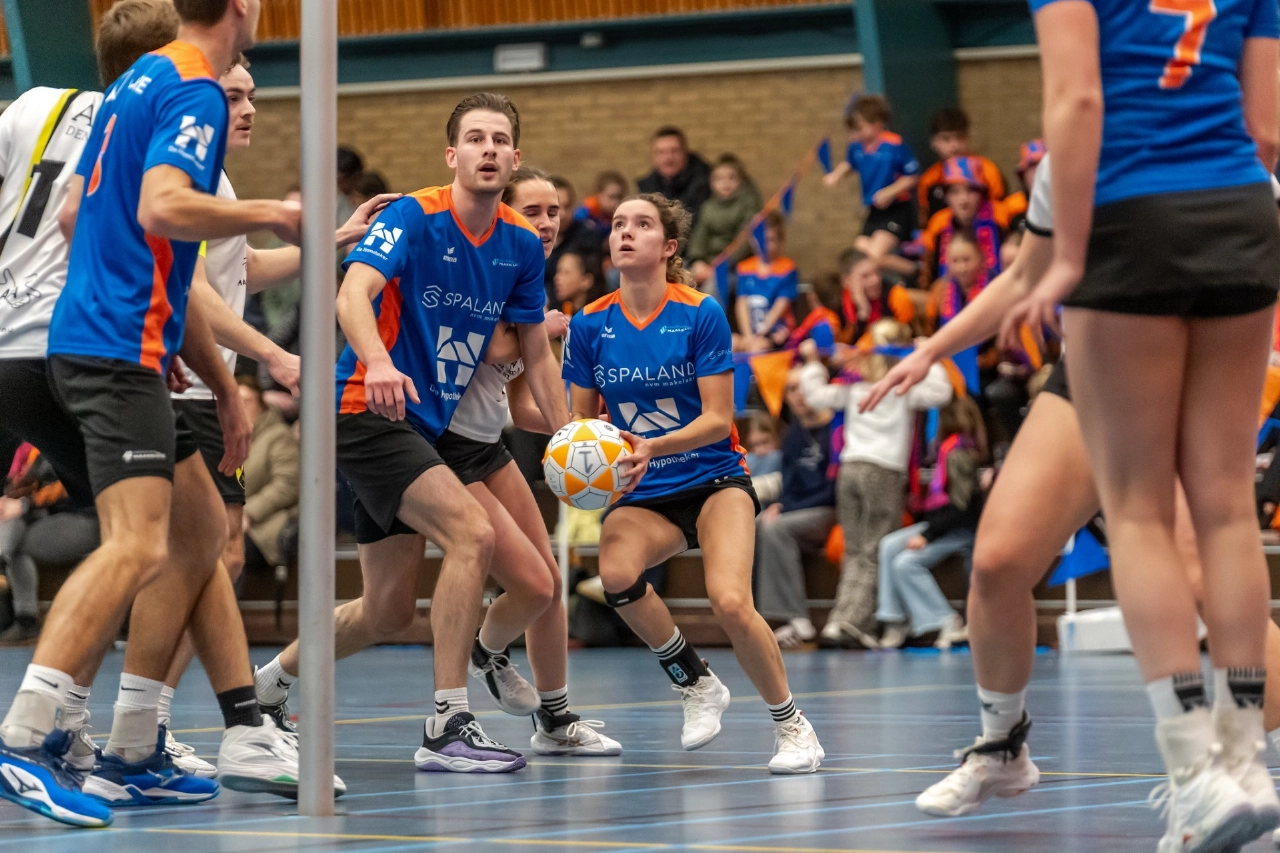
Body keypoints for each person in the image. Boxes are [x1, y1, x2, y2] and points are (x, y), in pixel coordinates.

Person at [865, 156, 1280, 844]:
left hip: (1186, 389)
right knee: (997, 562)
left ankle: (1224, 773)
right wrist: (932, 347)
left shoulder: (1232, 157)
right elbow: (1026, 273)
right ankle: (1002, 748)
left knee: (1203, 579)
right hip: (1088, 377)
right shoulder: (1073, 154)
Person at [0, 0, 316, 825]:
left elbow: (82, 216)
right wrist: (277, 214)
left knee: (200, 528)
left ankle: (136, 741)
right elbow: (164, 210)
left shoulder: (129, 81)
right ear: (242, 11)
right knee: (138, 541)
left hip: (107, 340)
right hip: (108, 345)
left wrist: (201, 361)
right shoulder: (191, 89)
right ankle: (28, 736)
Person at [999, 2, 1280, 848]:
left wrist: (1076, 253)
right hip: (1241, 210)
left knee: (1139, 510)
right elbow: (1266, 128)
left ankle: (1196, 771)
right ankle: (1247, 758)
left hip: (1128, 216)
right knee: (1228, 505)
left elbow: (1078, 100)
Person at [253, 93, 571, 775]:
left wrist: (568, 431)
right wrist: (377, 360)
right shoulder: (414, 215)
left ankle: (267, 684)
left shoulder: (518, 244)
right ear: (452, 155)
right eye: (475, 139)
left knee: (388, 609)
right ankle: (449, 722)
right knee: (473, 535)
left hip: (422, 427)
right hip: (365, 408)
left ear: (514, 157)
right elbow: (352, 293)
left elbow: (537, 352)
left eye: (500, 140)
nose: (489, 149)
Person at [160, 56, 395, 763]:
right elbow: (194, 291)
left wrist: (335, 239)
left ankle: (152, 722)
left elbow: (242, 271)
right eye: (234, 95)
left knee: (212, 558)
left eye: (253, 94)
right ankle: (144, 724)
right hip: (195, 390)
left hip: (207, 389)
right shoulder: (185, 177)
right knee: (197, 558)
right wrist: (274, 353)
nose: (250, 107)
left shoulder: (218, 180)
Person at [563, 192, 824, 773]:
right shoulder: (589, 323)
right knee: (616, 575)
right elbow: (581, 425)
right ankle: (695, 681)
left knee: (730, 600)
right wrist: (582, 461)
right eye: (618, 224)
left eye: (642, 224)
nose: (625, 232)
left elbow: (717, 419)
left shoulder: (699, 311)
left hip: (712, 477)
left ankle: (793, 727)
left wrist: (654, 443)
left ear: (668, 246)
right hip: (644, 488)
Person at [442, 165, 621, 757]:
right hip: (437, 443)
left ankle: (555, 718)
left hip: (484, 443)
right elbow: (477, 344)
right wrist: (535, 333)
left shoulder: (528, 280)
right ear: (505, 209)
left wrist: (590, 436)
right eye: (534, 210)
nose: (546, 223)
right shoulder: (481, 263)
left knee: (548, 581)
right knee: (531, 582)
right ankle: (482, 652)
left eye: (555, 212)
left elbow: (521, 405)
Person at [798, 320, 953, 649]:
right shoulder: (902, 389)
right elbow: (943, 391)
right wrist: (932, 354)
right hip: (882, 472)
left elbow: (814, 395)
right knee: (872, 551)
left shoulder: (855, 389)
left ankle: (841, 619)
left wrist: (813, 363)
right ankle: (850, 622)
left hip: (850, 469)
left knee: (855, 550)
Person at [877, 395, 986, 650]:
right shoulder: (946, 451)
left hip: (961, 529)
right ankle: (894, 618)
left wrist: (928, 534)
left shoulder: (958, 455)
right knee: (889, 544)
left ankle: (946, 618)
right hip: (942, 524)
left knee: (905, 563)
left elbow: (962, 508)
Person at [755, 369, 837, 648]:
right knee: (758, 522)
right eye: (791, 389)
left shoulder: (836, 428)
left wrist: (789, 508)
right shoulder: (793, 435)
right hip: (803, 509)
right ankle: (758, 614)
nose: (799, 395)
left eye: (803, 387)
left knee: (778, 526)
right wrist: (782, 504)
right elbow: (789, 484)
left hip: (831, 510)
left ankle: (797, 619)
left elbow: (833, 490)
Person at [823, 95, 920, 275]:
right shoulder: (857, 147)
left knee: (874, 257)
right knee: (859, 257)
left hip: (897, 209)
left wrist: (891, 192)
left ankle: (918, 271)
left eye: (860, 128)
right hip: (874, 210)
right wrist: (836, 175)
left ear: (877, 123)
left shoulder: (894, 144)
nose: (856, 134)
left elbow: (912, 176)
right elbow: (850, 163)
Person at [0, 445, 67, 644]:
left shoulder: (65, 447)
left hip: (69, 514)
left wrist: (25, 504)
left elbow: (69, 491)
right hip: (31, 518)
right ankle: (26, 619)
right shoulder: (25, 450)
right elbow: (12, 484)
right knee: (12, 530)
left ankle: (25, 618)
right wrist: (7, 502)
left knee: (16, 541)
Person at [236, 376, 298, 579]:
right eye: (235, 401)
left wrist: (248, 513)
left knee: (231, 549)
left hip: (266, 524)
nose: (241, 407)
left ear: (261, 405)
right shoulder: (224, 437)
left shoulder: (277, 435)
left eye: (247, 401)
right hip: (228, 520)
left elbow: (287, 484)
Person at [920, 156, 1010, 288]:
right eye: (955, 192)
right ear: (946, 197)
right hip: (951, 297)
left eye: (971, 191)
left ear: (982, 194)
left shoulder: (1000, 220)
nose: (963, 200)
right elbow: (933, 279)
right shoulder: (939, 225)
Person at [917, 108, 1007, 224]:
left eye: (959, 137)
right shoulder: (928, 180)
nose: (954, 145)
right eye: (946, 139)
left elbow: (1000, 211)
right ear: (934, 142)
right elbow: (925, 221)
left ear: (967, 137)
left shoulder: (987, 170)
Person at [688, 154, 762, 282]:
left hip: (736, 264)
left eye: (731, 178)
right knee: (683, 278)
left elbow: (744, 240)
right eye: (719, 178)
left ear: (741, 181)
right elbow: (700, 236)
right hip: (708, 262)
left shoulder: (748, 204)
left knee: (714, 284)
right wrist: (697, 260)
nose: (725, 183)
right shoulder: (708, 206)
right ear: (712, 182)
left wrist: (720, 265)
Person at [733, 211, 798, 353]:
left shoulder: (787, 269)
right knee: (729, 344)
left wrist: (759, 334)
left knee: (757, 349)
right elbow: (741, 304)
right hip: (750, 332)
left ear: (781, 241)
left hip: (776, 332)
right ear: (752, 239)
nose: (764, 245)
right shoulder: (744, 268)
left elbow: (780, 307)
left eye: (770, 240)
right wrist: (748, 336)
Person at [836, 248, 915, 345]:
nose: (875, 280)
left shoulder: (896, 296)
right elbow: (844, 347)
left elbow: (905, 339)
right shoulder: (837, 304)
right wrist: (863, 312)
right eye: (865, 276)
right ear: (847, 281)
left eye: (876, 272)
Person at [636, 126, 712, 226]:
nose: (668, 158)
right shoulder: (646, 190)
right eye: (661, 152)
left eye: (674, 151)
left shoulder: (708, 184)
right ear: (653, 157)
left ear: (685, 153)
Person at [546, 175, 602, 307]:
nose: (563, 214)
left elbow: (592, 282)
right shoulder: (532, 235)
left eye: (567, 206)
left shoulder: (587, 234)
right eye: (556, 208)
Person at [1002, 139, 1046, 233]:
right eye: (1032, 166)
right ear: (1022, 176)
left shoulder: (1069, 206)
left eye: (1043, 165)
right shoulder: (1010, 209)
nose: (1038, 172)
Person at [576, 170, 627, 240]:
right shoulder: (583, 215)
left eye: (619, 197)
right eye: (611, 197)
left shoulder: (624, 217)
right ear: (598, 194)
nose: (616, 202)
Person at [553, 249, 606, 316]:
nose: (557, 278)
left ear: (586, 281)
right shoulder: (555, 313)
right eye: (558, 271)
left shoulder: (601, 316)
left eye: (566, 272)